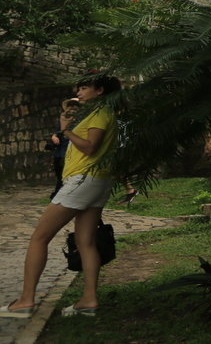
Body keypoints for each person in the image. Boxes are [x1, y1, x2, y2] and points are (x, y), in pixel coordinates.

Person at [1, 74, 122, 319]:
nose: (80, 91)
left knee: (39, 238)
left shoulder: (100, 114)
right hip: (97, 181)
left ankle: (26, 301)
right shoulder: (102, 113)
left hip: (84, 180)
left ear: (100, 91)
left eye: (85, 87)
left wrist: (66, 130)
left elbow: (90, 147)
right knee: (85, 241)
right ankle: (88, 301)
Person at [45, 98, 82, 199]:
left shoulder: (81, 121)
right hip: (61, 153)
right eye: (70, 107)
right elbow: (58, 130)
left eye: (75, 107)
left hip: (73, 153)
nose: (72, 110)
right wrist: (54, 136)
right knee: (60, 175)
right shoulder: (63, 119)